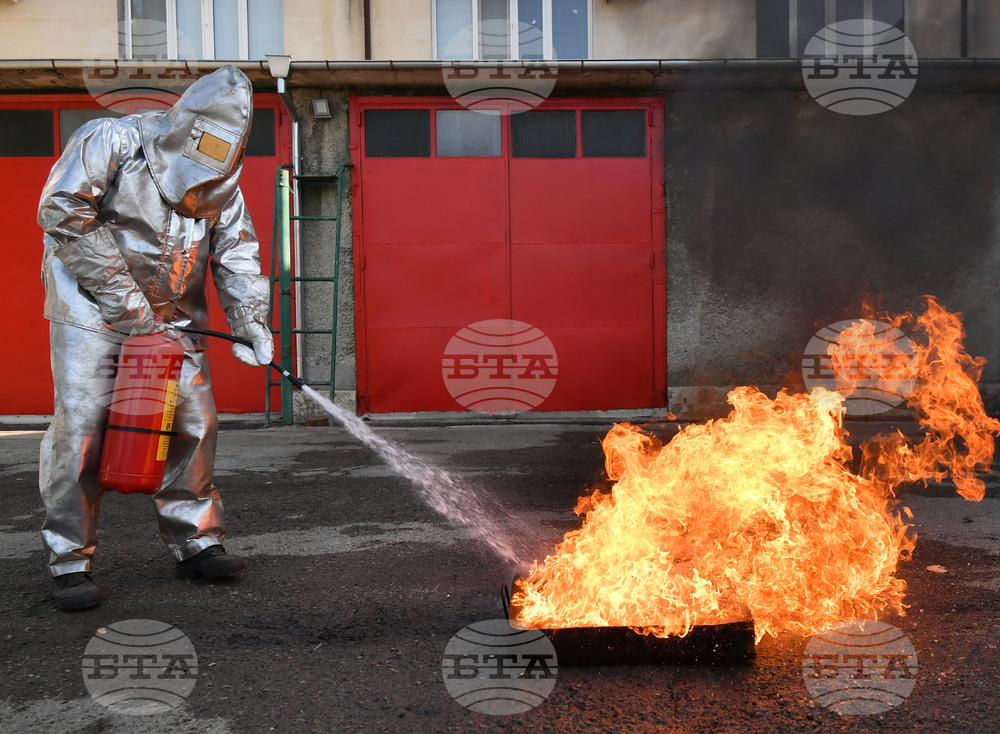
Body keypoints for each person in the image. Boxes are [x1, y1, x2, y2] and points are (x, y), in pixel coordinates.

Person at [36, 65, 273, 611]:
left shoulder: (222, 181)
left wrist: (249, 322)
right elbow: (62, 210)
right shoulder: (111, 139)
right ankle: (70, 560)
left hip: (173, 316)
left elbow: (236, 251)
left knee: (193, 423)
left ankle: (197, 541)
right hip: (90, 309)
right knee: (82, 429)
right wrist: (129, 306)